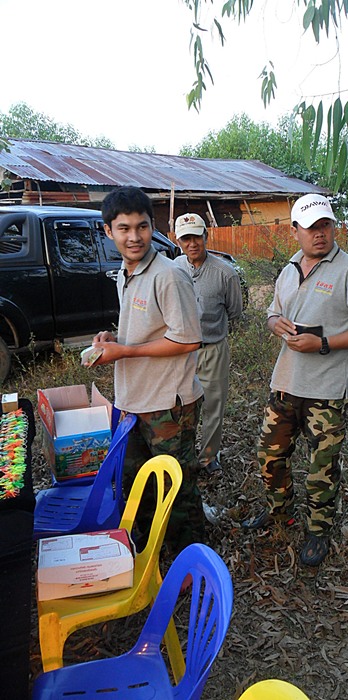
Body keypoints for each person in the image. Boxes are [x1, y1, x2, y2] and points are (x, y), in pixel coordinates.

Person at [242, 193, 348, 567]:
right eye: (311, 228)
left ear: (333, 227)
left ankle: (318, 531)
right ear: (295, 231)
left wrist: (322, 342)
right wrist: (278, 326)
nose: (320, 235)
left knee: (321, 466)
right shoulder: (288, 270)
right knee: (269, 455)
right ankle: (279, 513)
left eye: (326, 226)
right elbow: (272, 314)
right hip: (286, 382)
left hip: (327, 390)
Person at [89, 186, 205, 555]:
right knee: (138, 478)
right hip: (135, 397)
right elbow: (149, 327)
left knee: (176, 483)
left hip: (168, 401)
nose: (134, 236)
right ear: (108, 231)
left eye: (141, 227)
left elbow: (188, 340)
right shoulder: (127, 272)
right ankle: (150, 543)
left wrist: (126, 350)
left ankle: (190, 556)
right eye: (124, 228)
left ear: (152, 227)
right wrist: (115, 337)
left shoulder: (168, 275)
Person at [173, 213, 243, 474]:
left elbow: (235, 310)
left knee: (213, 404)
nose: (192, 243)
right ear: (178, 241)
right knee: (181, 405)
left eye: (197, 237)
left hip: (212, 347)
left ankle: (208, 457)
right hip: (179, 350)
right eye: (186, 238)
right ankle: (184, 458)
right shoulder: (174, 269)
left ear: (206, 236)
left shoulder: (225, 273)